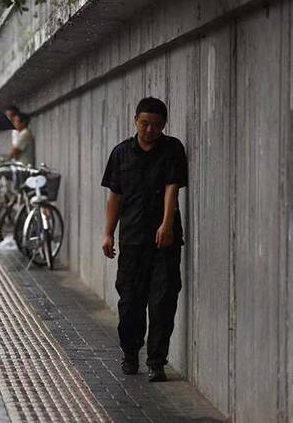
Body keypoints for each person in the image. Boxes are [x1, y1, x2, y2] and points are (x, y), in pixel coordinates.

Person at [100, 97, 188, 382]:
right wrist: (107, 233)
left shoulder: (172, 149)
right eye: (144, 123)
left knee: (163, 300)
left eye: (156, 125)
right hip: (133, 239)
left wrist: (167, 223)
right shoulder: (121, 153)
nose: (149, 130)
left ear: (164, 125)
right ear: (135, 121)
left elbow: (171, 188)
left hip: (165, 240)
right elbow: (115, 195)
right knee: (130, 302)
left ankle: (156, 361)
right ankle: (129, 354)